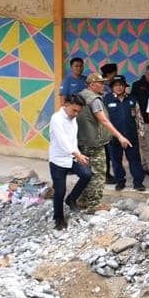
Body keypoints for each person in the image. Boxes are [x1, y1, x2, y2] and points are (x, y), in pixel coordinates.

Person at [76, 73, 131, 210]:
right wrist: (120, 136)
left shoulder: (80, 95)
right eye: (100, 83)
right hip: (94, 142)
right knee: (99, 173)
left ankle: (82, 200)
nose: (103, 86)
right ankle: (94, 204)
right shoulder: (95, 100)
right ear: (92, 85)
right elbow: (104, 120)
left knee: (86, 173)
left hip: (82, 141)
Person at [48, 94, 92, 230]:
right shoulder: (56, 119)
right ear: (66, 105)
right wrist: (77, 154)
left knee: (87, 174)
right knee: (59, 191)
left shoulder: (73, 119)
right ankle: (58, 219)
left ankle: (71, 199)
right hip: (58, 160)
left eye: (79, 111)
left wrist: (78, 154)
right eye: (74, 110)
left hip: (72, 157)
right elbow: (62, 141)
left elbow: (72, 140)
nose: (76, 114)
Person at [103, 75, 146, 192]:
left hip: (131, 135)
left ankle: (138, 183)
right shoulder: (106, 99)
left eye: (121, 85)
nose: (118, 87)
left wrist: (141, 132)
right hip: (114, 137)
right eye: (116, 85)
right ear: (112, 87)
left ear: (125, 87)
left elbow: (138, 117)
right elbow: (104, 119)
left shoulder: (132, 99)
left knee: (135, 160)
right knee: (116, 161)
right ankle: (120, 182)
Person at [131, 65, 149, 179]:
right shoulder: (137, 85)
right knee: (146, 146)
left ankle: (147, 167)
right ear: (145, 73)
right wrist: (135, 118)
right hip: (143, 120)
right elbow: (133, 103)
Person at [99, 62, 119, 183]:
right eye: (114, 73)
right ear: (110, 74)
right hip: (103, 122)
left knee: (109, 150)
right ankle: (105, 175)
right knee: (105, 151)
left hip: (110, 121)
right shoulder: (102, 87)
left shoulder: (108, 86)